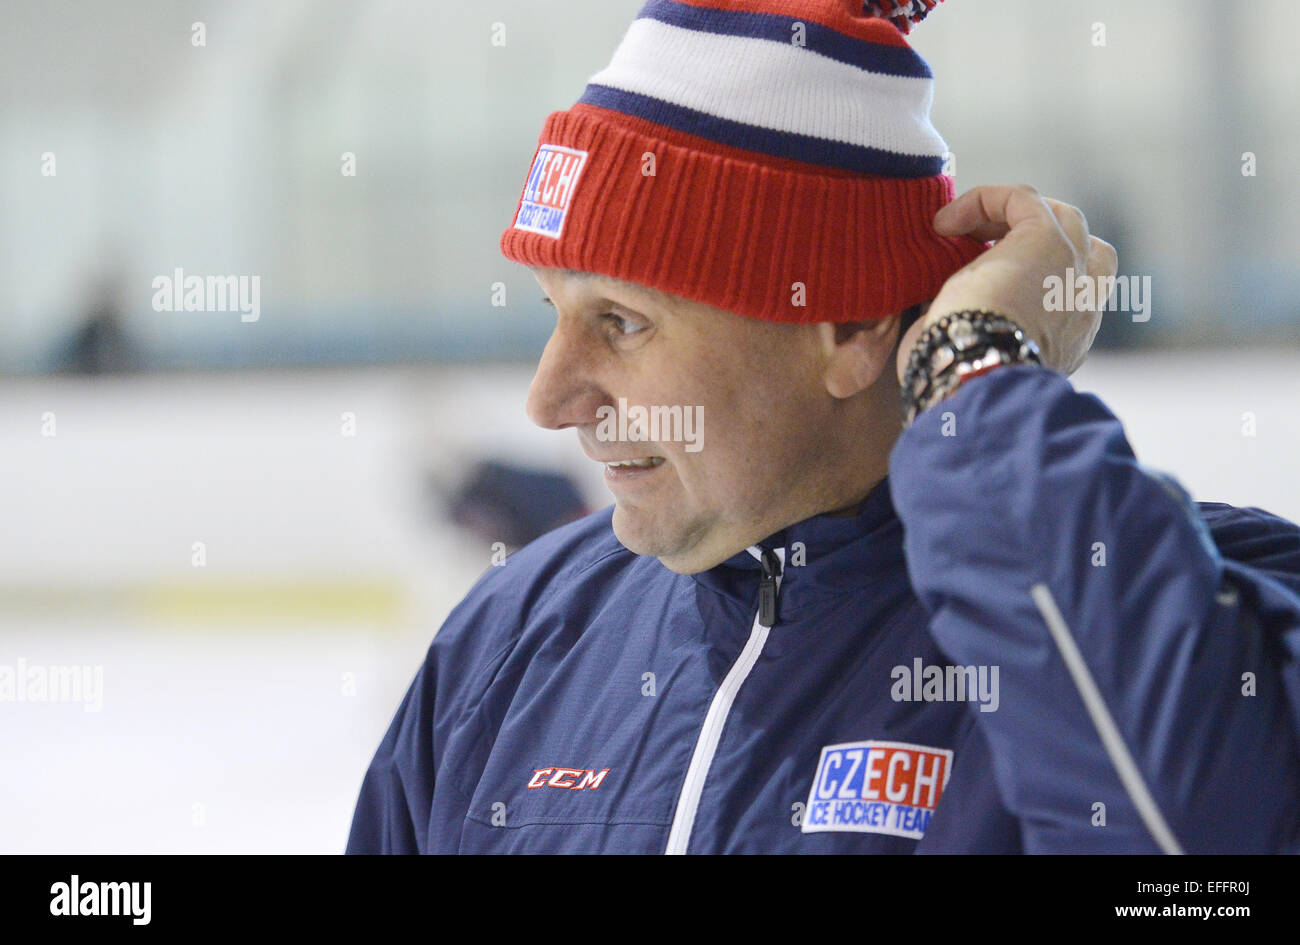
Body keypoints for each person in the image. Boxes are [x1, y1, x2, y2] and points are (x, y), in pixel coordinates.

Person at [346, 0, 1300, 853]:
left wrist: (974, 373)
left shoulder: (1201, 599)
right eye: (552, 310)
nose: (549, 399)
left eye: (622, 322)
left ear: (848, 329)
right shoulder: (514, 639)